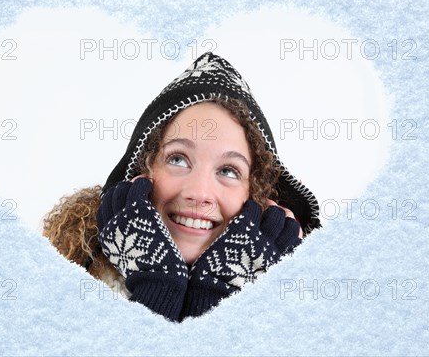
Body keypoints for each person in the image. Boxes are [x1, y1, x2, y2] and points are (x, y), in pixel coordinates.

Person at [43, 52, 321, 322]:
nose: (199, 193)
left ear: (258, 195)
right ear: (142, 171)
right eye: (178, 159)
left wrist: (219, 294)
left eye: (228, 170)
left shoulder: (304, 318)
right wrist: (157, 285)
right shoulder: (57, 294)